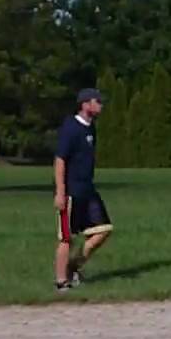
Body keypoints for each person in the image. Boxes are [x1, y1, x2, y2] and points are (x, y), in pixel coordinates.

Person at [54, 88, 113, 292]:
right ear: (85, 104)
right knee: (66, 238)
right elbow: (60, 160)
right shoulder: (71, 127)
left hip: (88, 190)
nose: (101, 105)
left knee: (104, 230)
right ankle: (61, 281)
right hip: (71, 192)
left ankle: (73, 267)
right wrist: (60, 192)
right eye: (98, 101)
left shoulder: (91, 128)